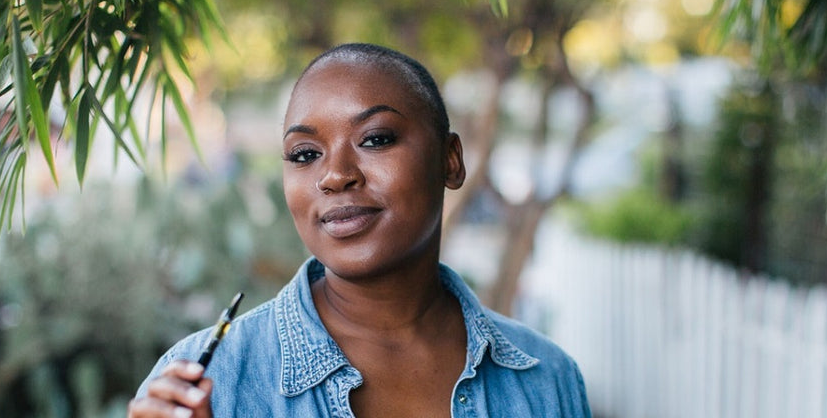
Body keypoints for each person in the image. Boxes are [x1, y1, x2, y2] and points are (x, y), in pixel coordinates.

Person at [128, 43, 591, 417]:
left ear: (450, 160)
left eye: (375, 139)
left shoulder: (546, 381)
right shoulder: (204, 385)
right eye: (305, 154)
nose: (335, 175)